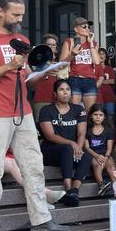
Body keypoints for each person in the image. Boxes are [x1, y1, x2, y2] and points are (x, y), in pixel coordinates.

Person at [0, 0, 69, 231]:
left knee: (33, 166)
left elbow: (27, 78)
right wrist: (8, 67)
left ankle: (41, 220)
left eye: (22, 14)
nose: (19, 18)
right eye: (15, 14)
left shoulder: (22, 39)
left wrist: (48, 71)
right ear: (0, 11)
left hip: (22, 111)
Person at [0, 105, 66, 207]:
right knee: (12, 164)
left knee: (25, 162)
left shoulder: (7, 111)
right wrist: (1, 147)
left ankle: (40, 200)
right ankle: (43, 194)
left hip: (6, 152)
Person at [38, 79, 92, 207]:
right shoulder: (46, 110)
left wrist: (78, 147)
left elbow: (81, 134)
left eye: (68, 90)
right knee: (67, 148)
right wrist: (72, 144)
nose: (65, 92)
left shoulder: (78, 109)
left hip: (70, 152)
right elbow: (50, 136)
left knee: (86, 156)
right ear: (55, 93)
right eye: (61, 90)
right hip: (50, 151)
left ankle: (74, 190)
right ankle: (67, 188)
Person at [59, 17, 101, 113]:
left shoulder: (93, 43)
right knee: (74, 111)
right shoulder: (70, 42)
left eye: (89, 27)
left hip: (90, 80)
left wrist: (90, 43)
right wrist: (72, 54)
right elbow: (61, 64)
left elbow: (97, 62)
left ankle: (87, 128)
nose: (87, 29)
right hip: (75, 78)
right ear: (76, 29)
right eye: (84, 26)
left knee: (90, 112)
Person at [84, 104, 116, 197]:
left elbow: (109, 148)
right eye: (95, 114)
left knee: (111, 167)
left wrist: (106, 157)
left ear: (104, 117)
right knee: (99, 165)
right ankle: (102, 184)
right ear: (90, 116)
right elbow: (86, 147)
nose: (98, 117)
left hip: (105, 154)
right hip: (92, 154)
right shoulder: (87, 129)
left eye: (101, 115)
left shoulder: (108, 130)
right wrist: (96, 156)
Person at [32, 33, 61, 121]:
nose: (51, 46)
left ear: (56, 48)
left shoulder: (60, 61)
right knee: (40, 126)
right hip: (41, 99)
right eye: (48, 44)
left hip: (58, 100)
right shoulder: (36, 60)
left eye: (53, 45)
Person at [95, 48, 116, 127]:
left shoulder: (109, 68)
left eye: (103, 53)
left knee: (110, 117)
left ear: (106, 57)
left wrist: (100, 81)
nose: (101, 55)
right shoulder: (93, 68)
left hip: (109, 96)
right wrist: (104, 81)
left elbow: (112, 81)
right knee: (98, 118)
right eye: (99, 53)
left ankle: (112, 137)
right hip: (97, 95)